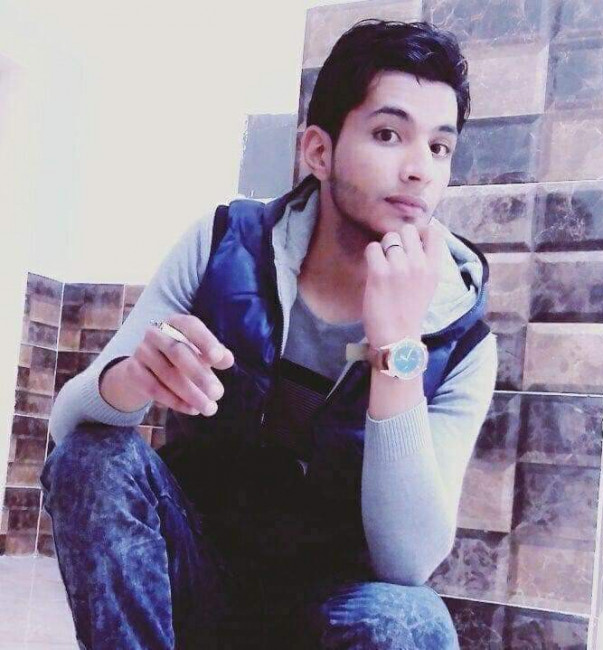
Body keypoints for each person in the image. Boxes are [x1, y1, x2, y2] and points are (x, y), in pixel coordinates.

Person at [40, 18, 497, 650]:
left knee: (409, 620)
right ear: (319, 151)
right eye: (389, 134)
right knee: (95, 458)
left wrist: (397, 346)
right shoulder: (221, 245)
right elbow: (68, 431)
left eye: (440, 147)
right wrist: (131, 379)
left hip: (330, 613)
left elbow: (407, 562)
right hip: (193, 573)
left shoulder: (461, 338)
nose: (420, 170)